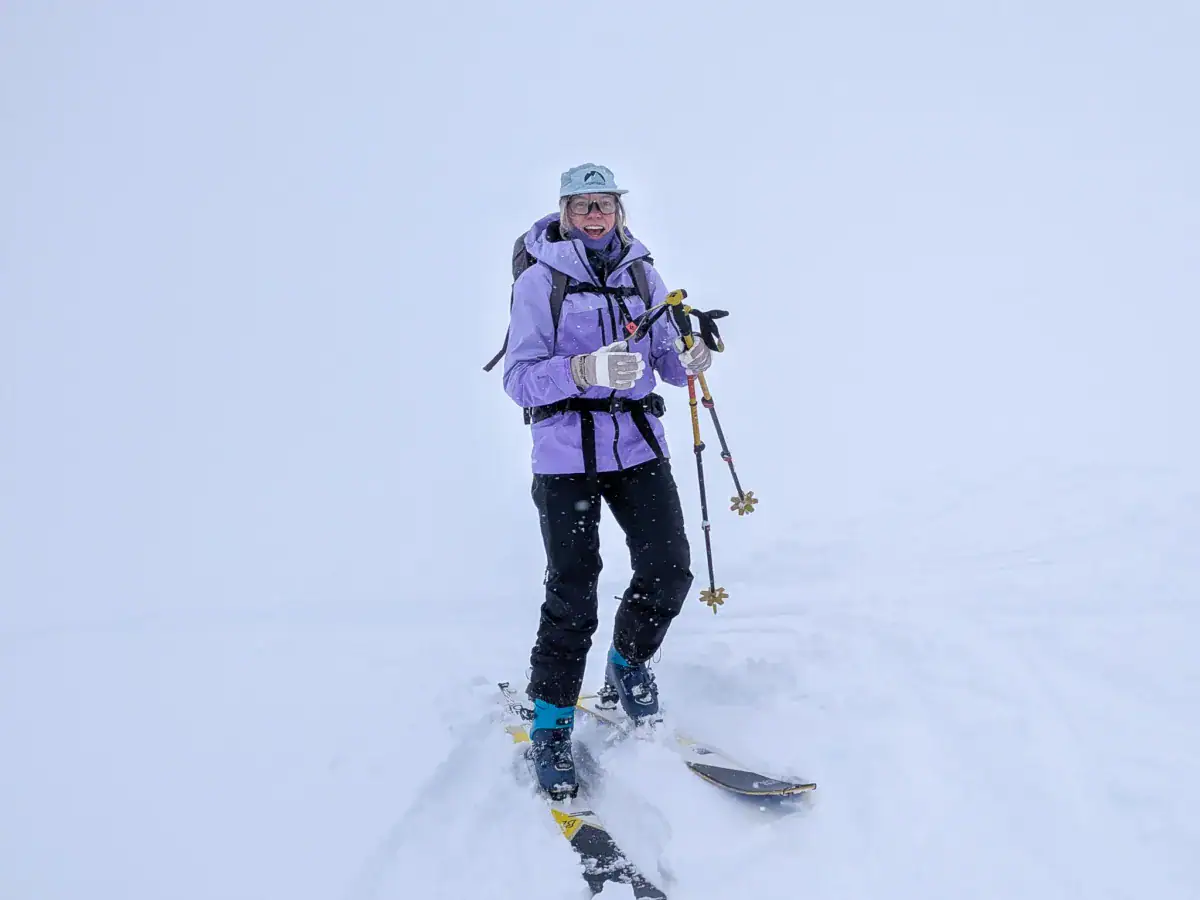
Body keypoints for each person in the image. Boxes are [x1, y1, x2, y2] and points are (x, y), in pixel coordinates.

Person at [502, 163, 713, 797]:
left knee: (669, 569)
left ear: (620, 210)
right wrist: (583, 370)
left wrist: (691, 356)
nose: (594, 215)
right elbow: (519, 379)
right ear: (564, 212)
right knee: (574, 594)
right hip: (565, 454)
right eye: (582, 205)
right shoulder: (540, 282)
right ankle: (550, 726)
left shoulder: (643, 273)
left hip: (639, 446)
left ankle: (628, 665)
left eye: (604, 204)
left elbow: (667, 360)